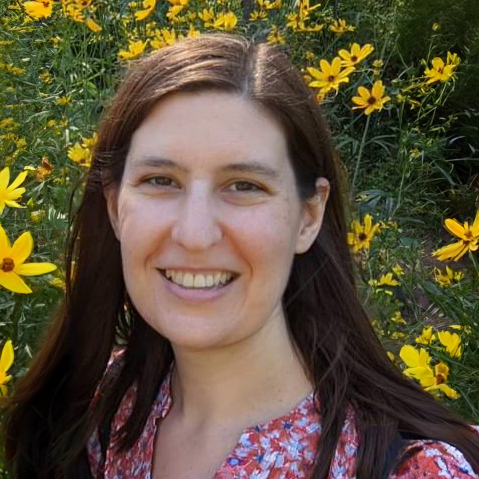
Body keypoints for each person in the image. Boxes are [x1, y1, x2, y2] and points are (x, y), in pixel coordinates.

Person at [2, 33, 479, 479]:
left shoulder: (411, 467)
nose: (194, 234)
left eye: (245, 186)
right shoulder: (101, 410)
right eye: (160, 180)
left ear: (309, 217)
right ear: (114, 206)